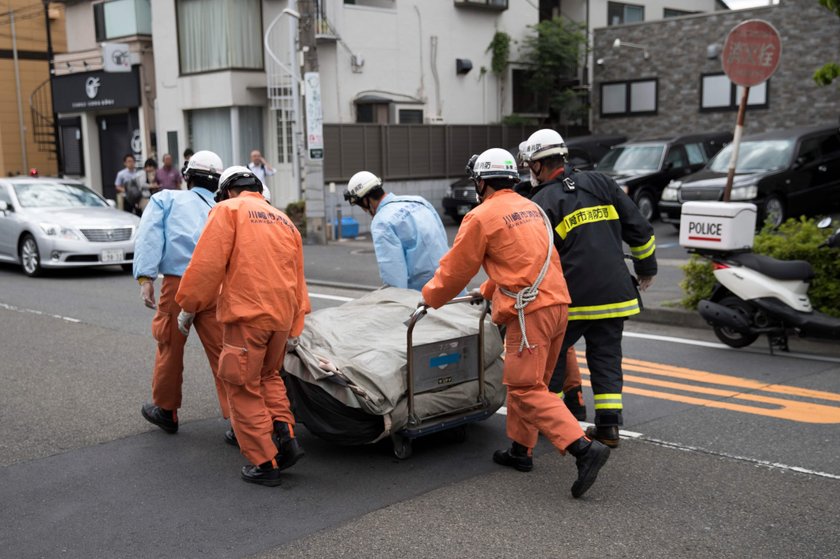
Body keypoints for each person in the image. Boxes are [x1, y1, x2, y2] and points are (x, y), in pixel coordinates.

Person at [421, 148, 610, 499]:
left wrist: (429, 298)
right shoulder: (532, 208)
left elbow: (455, 270)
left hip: (530, 313)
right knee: (535, 383)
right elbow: (527, 260)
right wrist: (489, 288)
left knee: (525, 387)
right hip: (557, 302)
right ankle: (521, 450)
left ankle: (584, 449)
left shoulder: (481, 216)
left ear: (481, 181)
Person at [175, 165, 310, 487]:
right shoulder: (285, 221)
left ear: (227, 191)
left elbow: (206, 265)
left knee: (241, 386)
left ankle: (264, 462)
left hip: (247, 316)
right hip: (281, 318)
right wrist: (295, 325)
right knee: (269, 378)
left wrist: (188, 306)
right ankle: (286, 438)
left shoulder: (228, 210)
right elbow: (298, 279)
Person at [523, 128, 657, 447]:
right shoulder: (602, 183)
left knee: (552, 358)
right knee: (606, 356)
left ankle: (554, 424)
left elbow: (537, 258)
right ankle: (609, 426)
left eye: (530, 166)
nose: (529, 173)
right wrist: (646, 269)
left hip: (571, 299)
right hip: (614, 294)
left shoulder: (541, 201)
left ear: (539, 165)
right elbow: (639, 229)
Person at [134, 150, 231, 436]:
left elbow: (149, 236)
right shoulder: (224, 207)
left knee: (169, 346)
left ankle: (166, 409)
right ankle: (242, 421)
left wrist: (145, 278)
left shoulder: (165, 199)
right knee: (224, 351)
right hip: (216, 284)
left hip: (179, 284)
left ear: (187, 176)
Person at [343, 171, 450, 291]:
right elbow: (442, 237)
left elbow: (393, 275)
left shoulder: (382, 222)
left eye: (361, 206)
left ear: (366, 201)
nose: (364, 210)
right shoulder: (418, 201)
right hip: (453, 283)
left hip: (426, 296)